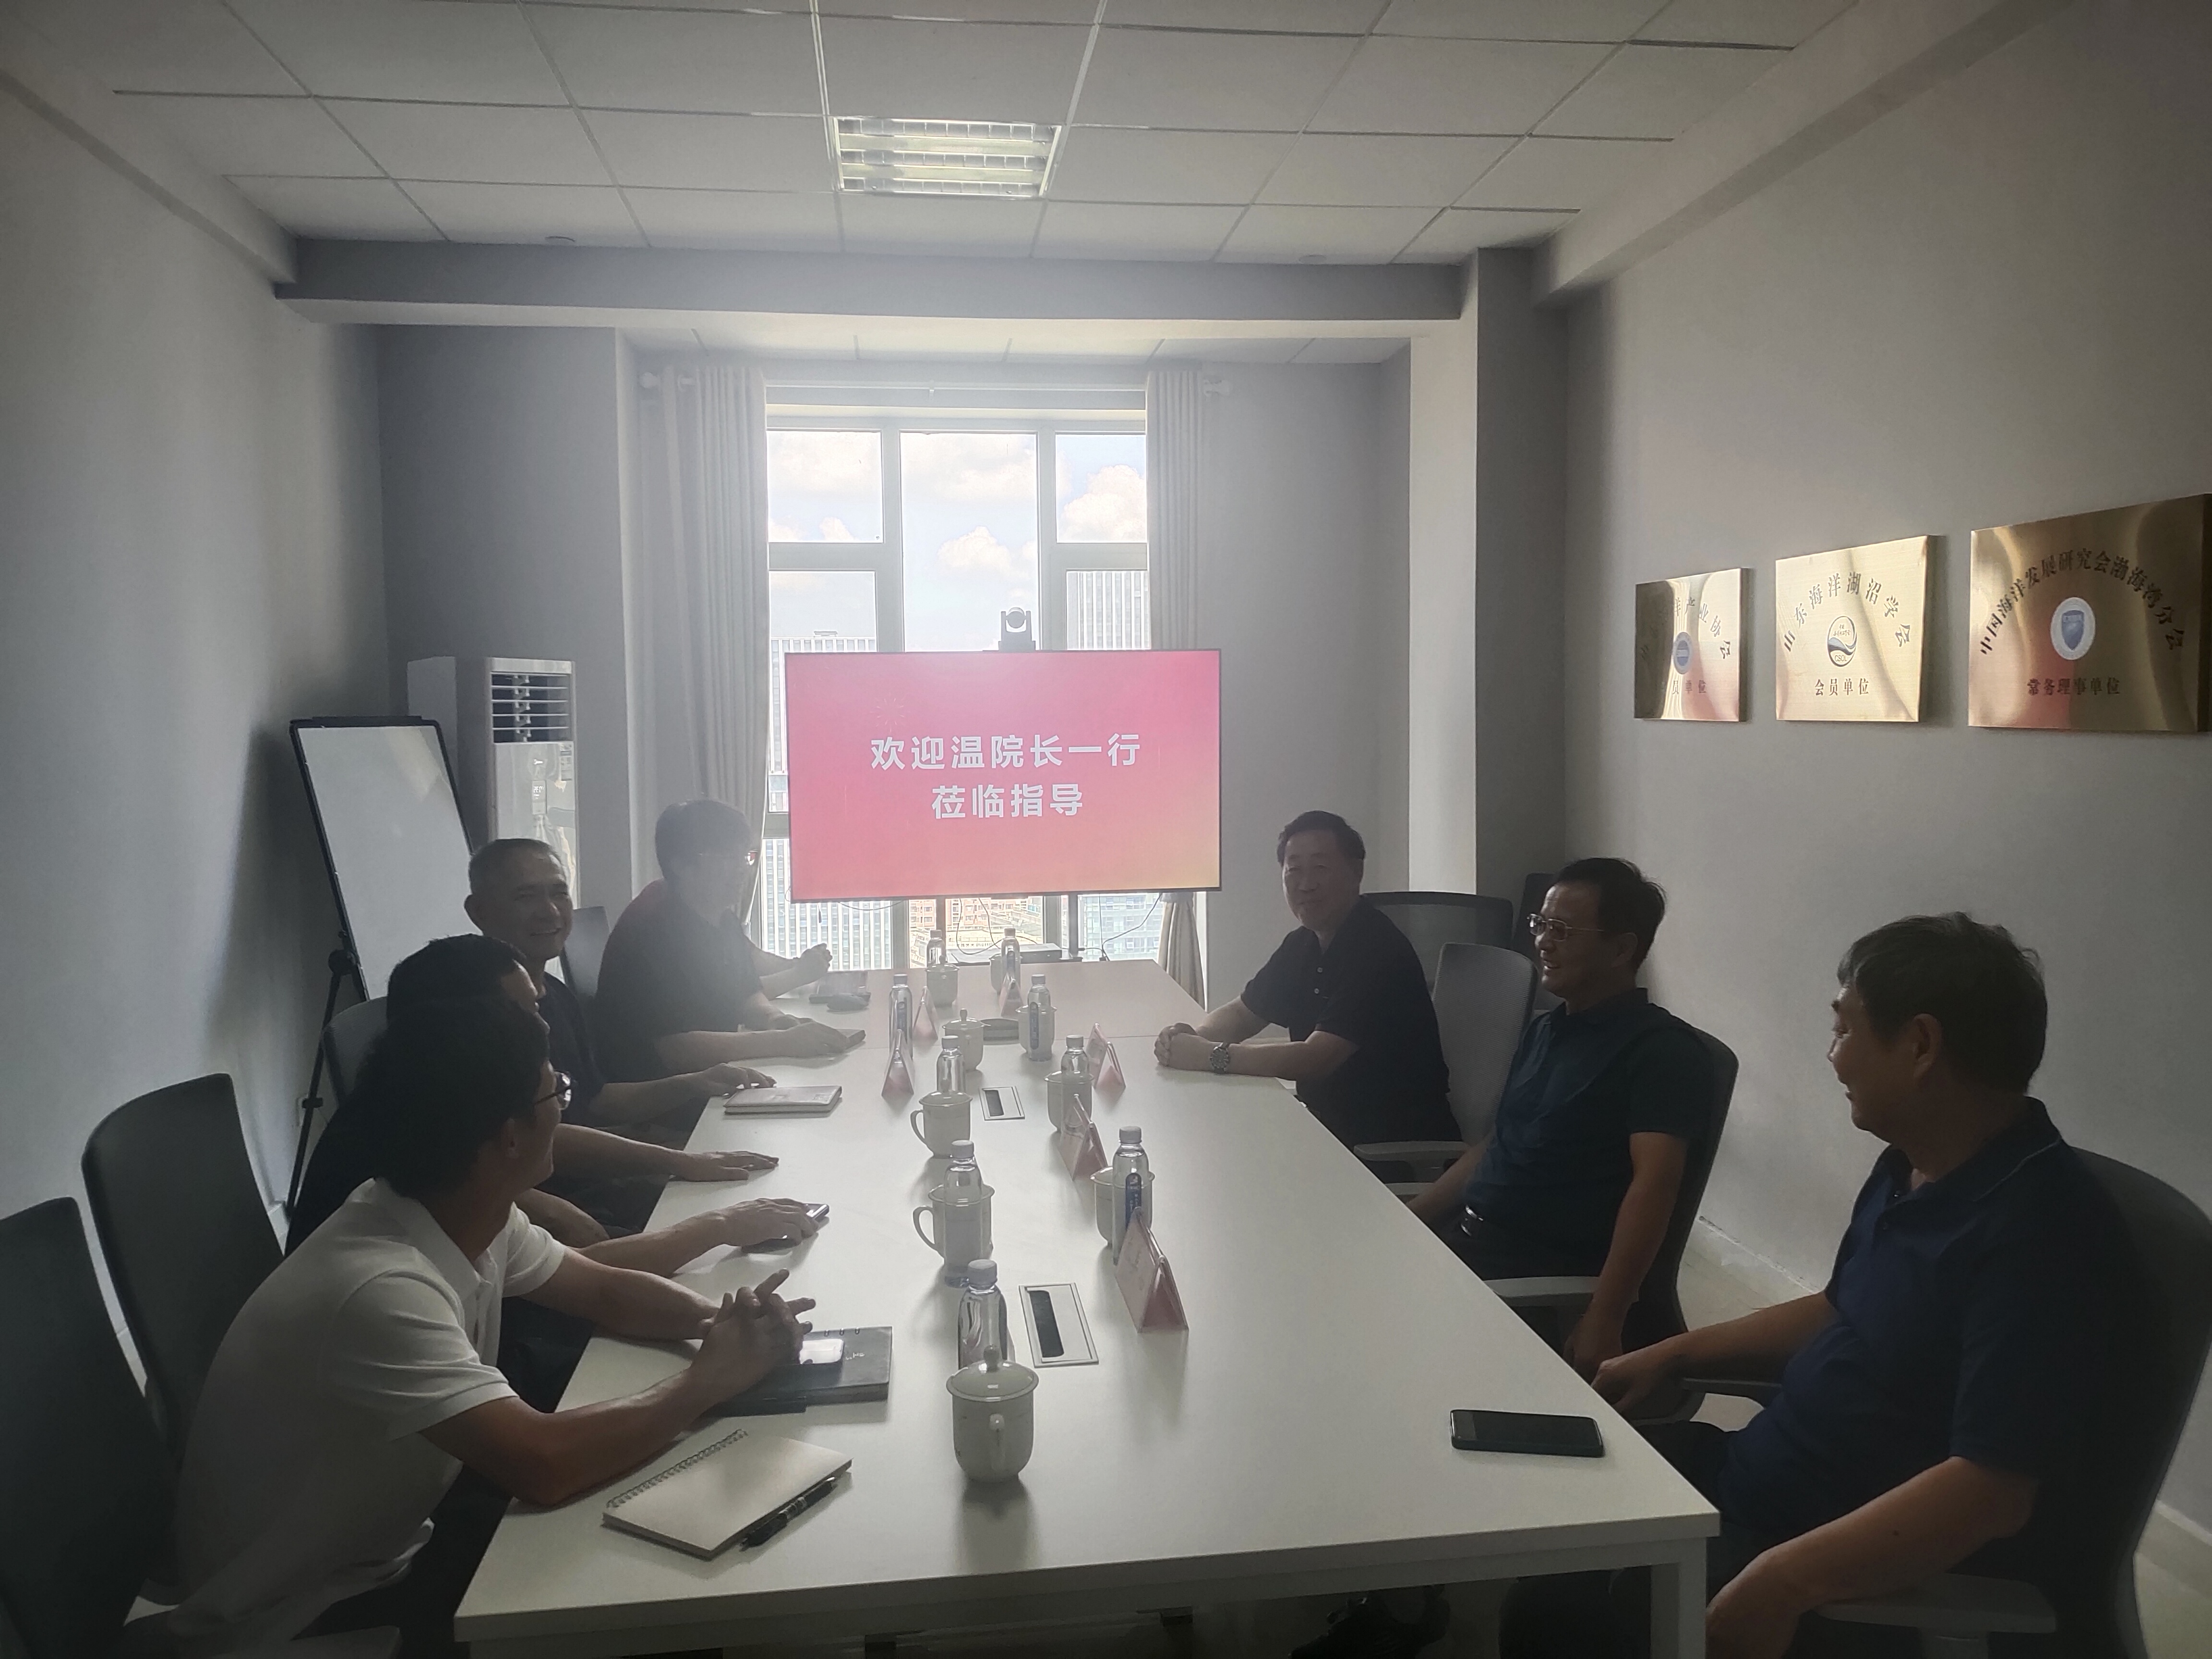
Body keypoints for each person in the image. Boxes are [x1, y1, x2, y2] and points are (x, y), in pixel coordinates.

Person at [1503, 914, 2134, 1659]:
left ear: (1920, 1046)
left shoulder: (2041, 1232)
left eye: (1844, 1029)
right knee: (1552, 1510)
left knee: (1561, 1612)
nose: (1833, 1057)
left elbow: (1990, 1494)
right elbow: (1842, 1307)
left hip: (1832, 1560)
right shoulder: (1912, 1164)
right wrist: (1675, 1352)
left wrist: (1784, 1583)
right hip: (1758, 1480)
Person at [169, 996, 818, 1656]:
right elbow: (544, 1465)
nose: (564, 1108)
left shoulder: (456, 1208)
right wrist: (704, 1382)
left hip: (389, 1543)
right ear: (510, 1136)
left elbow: (604, 1290)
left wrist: (723, 1322)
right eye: (557, 1092)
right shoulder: (380, 1289)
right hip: (307, 1616)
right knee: (659, 1601)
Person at [290, 935, 813, 1278]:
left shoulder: (440, 1092)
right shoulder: (410, 1141)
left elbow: (571, 1253)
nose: (541, 1027)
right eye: (520, 1013)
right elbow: (585, 1272)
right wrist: (720, 1225)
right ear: (459, 1026)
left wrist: (686, 1169)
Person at [1407, 858, 1713, 1375]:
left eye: (1563, 931)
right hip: (1468, 1244)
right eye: (1541, 925)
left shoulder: (1661, 1052)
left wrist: (1607, 1315)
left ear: (1622, 949)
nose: (1543, 943)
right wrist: (1410, 1219)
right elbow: (1496, 1144)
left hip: (1529, 1280)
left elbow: (1655, 1187)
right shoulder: (1547, 1029)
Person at [1152, 810, 1455, 1150]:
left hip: (1387, 1144)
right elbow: (1243, 1013)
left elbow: (1315, 1059)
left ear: (1356, 873)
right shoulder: (1304, 943)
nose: (1306, 884)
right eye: (1294, 870)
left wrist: (1211, 1056)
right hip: (1327, 1126)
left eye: (1320, 868)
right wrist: (1194, 1038)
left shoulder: (1378, 951)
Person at [466, 836, 785, 1141]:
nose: (549, 911)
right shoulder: (480, 1012)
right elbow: (547, 1144)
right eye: (526, 897)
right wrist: (675, 1157)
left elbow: (598, 1100)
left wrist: (696, 1083)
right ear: (479, 912)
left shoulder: (557, 994)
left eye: (559, 893)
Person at [593, 800, 863, 1095]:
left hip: (712, 1080)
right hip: (665, 1097)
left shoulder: (721, 919)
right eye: (727, 857)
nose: (742, 869)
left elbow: (745, 993)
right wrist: (782, 1042)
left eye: (744, 856)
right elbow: (675, 1049)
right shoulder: (652, 930)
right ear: (681, 865)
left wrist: (774, 1019)